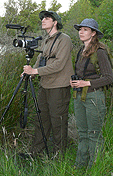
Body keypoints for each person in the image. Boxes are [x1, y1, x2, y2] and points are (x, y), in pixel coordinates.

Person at [23, 10, 74, 157]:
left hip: (58, 87)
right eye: (42, 19)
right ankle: (36, 153)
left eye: (47, 19)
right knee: (41, 121)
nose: (43, 21)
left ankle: (58, 156)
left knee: (58, 122)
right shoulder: (46, 40)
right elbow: (41, 60)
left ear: (55, 22)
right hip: (44, 86)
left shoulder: (64, 39)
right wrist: (30, 72)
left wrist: (35, 72)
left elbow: (59, 64)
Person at [70, 18, 113, 169]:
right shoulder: (80, 51)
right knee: (82, 133)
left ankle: (94, 168)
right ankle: (80, 166)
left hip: (94, 96)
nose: (81, 32)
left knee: (94, 134)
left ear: (93, 33)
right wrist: (75, 82)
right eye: (80, 29)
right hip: (79, 95)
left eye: (85, 30)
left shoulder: (100, 52)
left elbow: (109, 78)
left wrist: (87, 83)